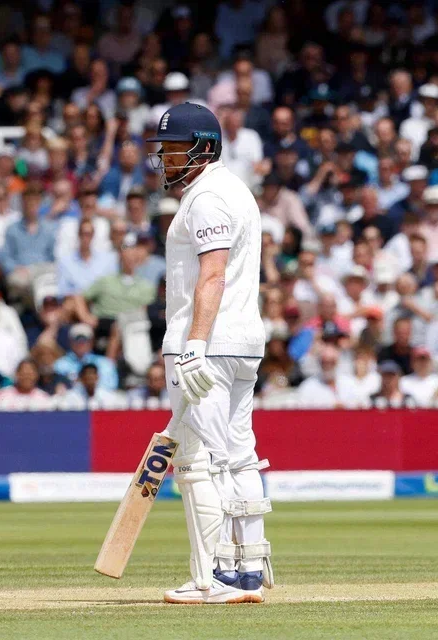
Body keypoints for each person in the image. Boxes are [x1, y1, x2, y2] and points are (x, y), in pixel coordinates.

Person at [147, 102, 273, 604]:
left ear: (203, 146)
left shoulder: (207, 198)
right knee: (239, 455)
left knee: (206, 460)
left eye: (173, 147)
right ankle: (248, 567)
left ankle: (216, 576)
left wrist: (194, 345)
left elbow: (213, 273)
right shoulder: (234, 190)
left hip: (208, 345)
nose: (165, 158)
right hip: (241, 343)